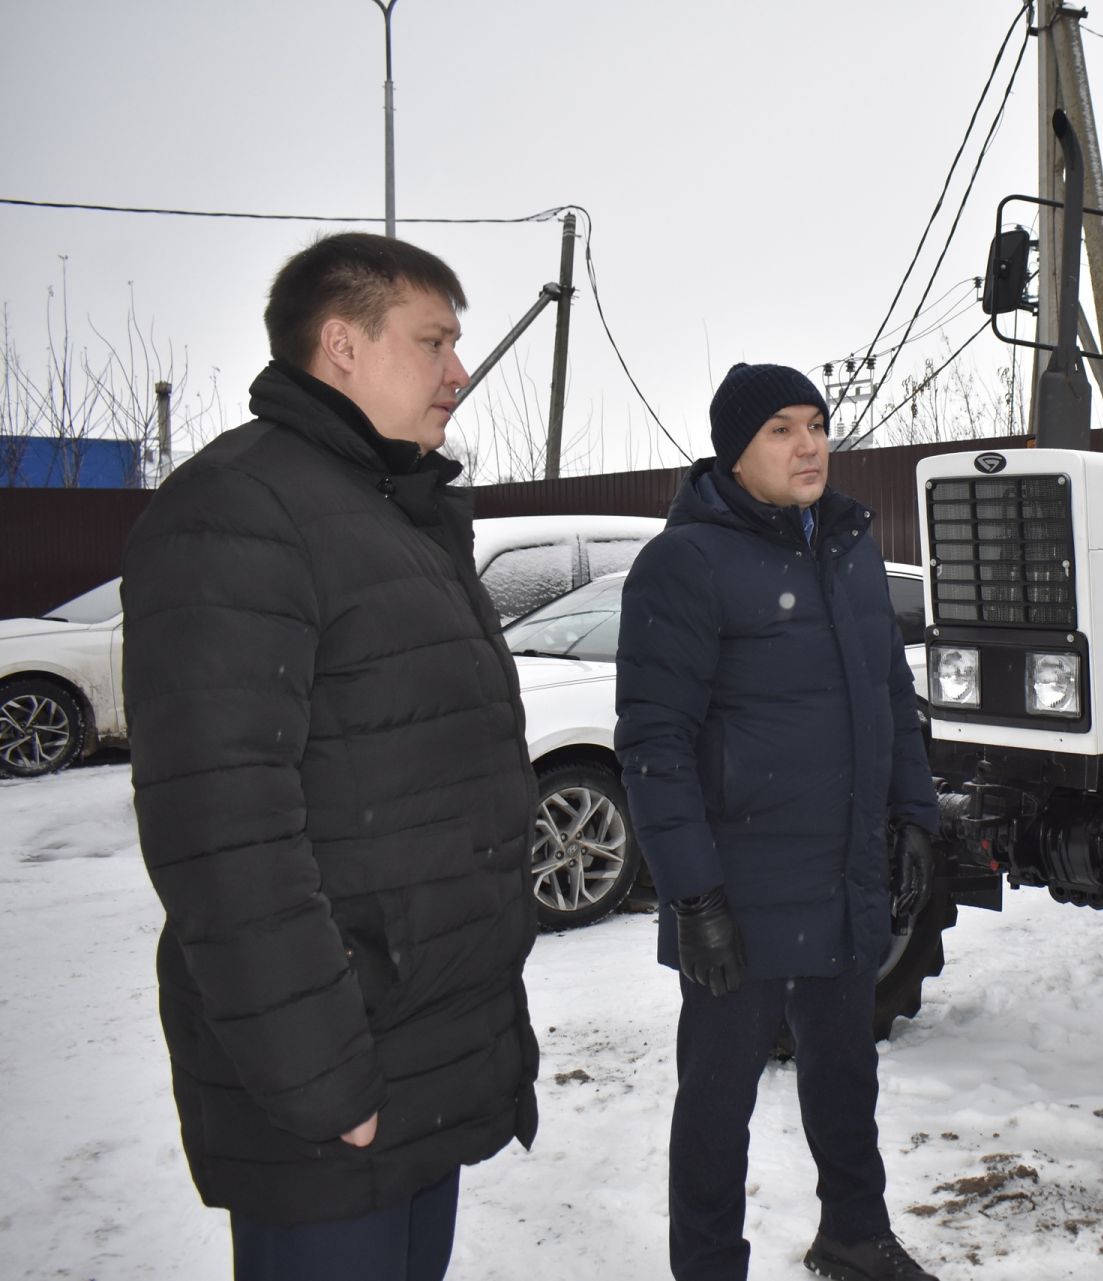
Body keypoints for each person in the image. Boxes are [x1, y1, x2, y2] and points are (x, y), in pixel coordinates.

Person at [122, 232, 540, 1281]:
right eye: (435, 340)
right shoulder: (240, 510)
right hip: (330, 1087)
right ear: (343, 346)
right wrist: (324, 1082)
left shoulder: (394, 510)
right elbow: (223, 835)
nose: (459, 371)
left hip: (417, 1057)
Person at [616, 362, 942, 1281]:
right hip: (741, 886)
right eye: (781, 430)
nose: (808, 445)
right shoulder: (685, 562)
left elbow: (889, 691)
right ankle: (709, 1266)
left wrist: (914, 814)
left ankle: (854, 1233)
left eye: (816, 423)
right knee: (717, 1104)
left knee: (847, 1077)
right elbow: (653, 740)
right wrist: (695, 895)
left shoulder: (847, 545)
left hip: (842, 874)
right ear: (735, 450)